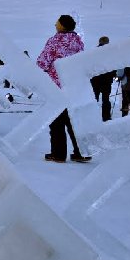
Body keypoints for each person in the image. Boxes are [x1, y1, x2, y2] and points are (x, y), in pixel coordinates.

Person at [37, 14, 91, 163]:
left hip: (57, 86)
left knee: (57, 121)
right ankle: (81, 152)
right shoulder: (78, 42)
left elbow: (42, 62)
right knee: (74, 120)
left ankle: (58, 154)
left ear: (62, 25)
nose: (55, 24)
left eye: (57, 22)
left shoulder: (55, 40)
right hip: (74, 85)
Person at [90, 36, 114, 122]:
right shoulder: (110, 52)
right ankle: (106, 117)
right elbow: (113, 66)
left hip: (95, 80)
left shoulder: (93, 52)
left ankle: (93, 117)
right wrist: (114, 75)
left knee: (94, 99)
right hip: (107, 81)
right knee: (106, 100)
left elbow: (90, 66)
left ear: (99, 42)